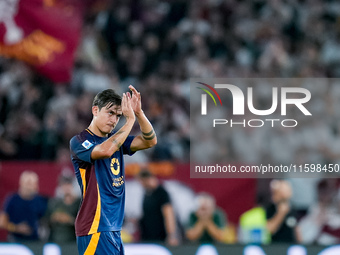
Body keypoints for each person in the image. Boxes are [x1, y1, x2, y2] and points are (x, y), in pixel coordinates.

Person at [70, 85, 157, 255]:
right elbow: (105, 151)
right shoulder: (80, 141)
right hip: (95, 226)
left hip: (113, 227)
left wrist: (139, 113)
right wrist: (129, 120)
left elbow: (150, 140)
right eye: (110, 113)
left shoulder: (117, 140)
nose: (114, 119)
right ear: (95, 110)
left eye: (118, 116)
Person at [0, 171, 48, 242]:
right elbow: (2, 222)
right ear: (21, 183)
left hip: (35, 241)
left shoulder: (40, 200)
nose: (30, 186)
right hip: (15, 239)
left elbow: (45, 220)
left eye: (33, 183)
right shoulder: (12, 199)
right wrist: (16, 228)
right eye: (28, 183)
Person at [138, 169, 179, 246]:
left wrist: (171, 235)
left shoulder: (161, 193)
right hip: (149, 238)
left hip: (160, 238)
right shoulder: (147, 194)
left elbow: (169, 214)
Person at [45, 174, 81, 243]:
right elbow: (46, 221)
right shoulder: (54, 203)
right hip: (55, 240)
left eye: (69, 184)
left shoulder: (79, 203)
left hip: (73, 241)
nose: (66, 187)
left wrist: (69, 219)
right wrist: (54, 218)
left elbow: (84, 224)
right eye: (64, 184)